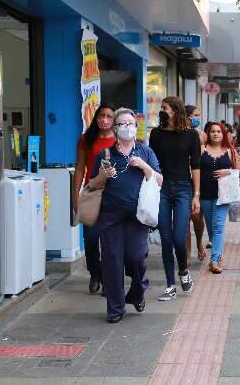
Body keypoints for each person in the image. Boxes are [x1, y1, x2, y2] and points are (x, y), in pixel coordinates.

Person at [89, 108, 162, 323]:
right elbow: (92, 185)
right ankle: (115, 309)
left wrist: (144, 166)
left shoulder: (145, 152)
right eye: (122, 124)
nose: (127, 127)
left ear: (136, 127)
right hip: (111, 216)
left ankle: (138, 291)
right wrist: (102, 176)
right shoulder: (104, 155)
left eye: (131, 124)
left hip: (138, 216)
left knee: (136, 257)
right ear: (115, 128)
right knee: (112, 262)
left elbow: (159, 180)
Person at [149, 97, 201, 301]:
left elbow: (195, 166)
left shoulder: (191, 135)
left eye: (165, 108)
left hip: (183, 188)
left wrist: (196, 195)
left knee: (179, 238)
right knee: (166, 239)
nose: (161, 111)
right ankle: (170, 285)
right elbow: (151, 162)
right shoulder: (156, 134)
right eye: (161, 108)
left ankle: (184, 272)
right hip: (161, 188)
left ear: (176, 111)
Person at [73, 103, 116, 295]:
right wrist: (75, 195)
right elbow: (80, 168)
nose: (104, 119)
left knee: (110, 240)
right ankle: (95, 273)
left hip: (114, 193)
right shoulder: (86, 139)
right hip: (91, 191)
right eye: (101, 115)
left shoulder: (119, 140)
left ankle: (109, 278)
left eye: (108, 116)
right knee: (90, 237)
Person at [201, 122, 240, 274]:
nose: (216, 134)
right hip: (205, 194)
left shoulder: (230, 151)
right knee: (211, 227)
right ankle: (217, 253)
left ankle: (214, 260)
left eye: (219, 131)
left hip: (223, 196)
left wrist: (227, 171)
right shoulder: (201, 149)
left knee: (218, 227)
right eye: (213, 131)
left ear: (223, 134)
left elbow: (239, 171)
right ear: (208, 133)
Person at [184, 105, 208, 264]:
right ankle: (186, 254)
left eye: (199, 115)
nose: (198, 118)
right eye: (195, 115)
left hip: (198, 180)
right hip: (182, 179)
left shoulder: (202, 135)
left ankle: (199, 242)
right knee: (184, 218)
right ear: (186, 116)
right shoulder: (179, 134)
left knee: (197, 218)